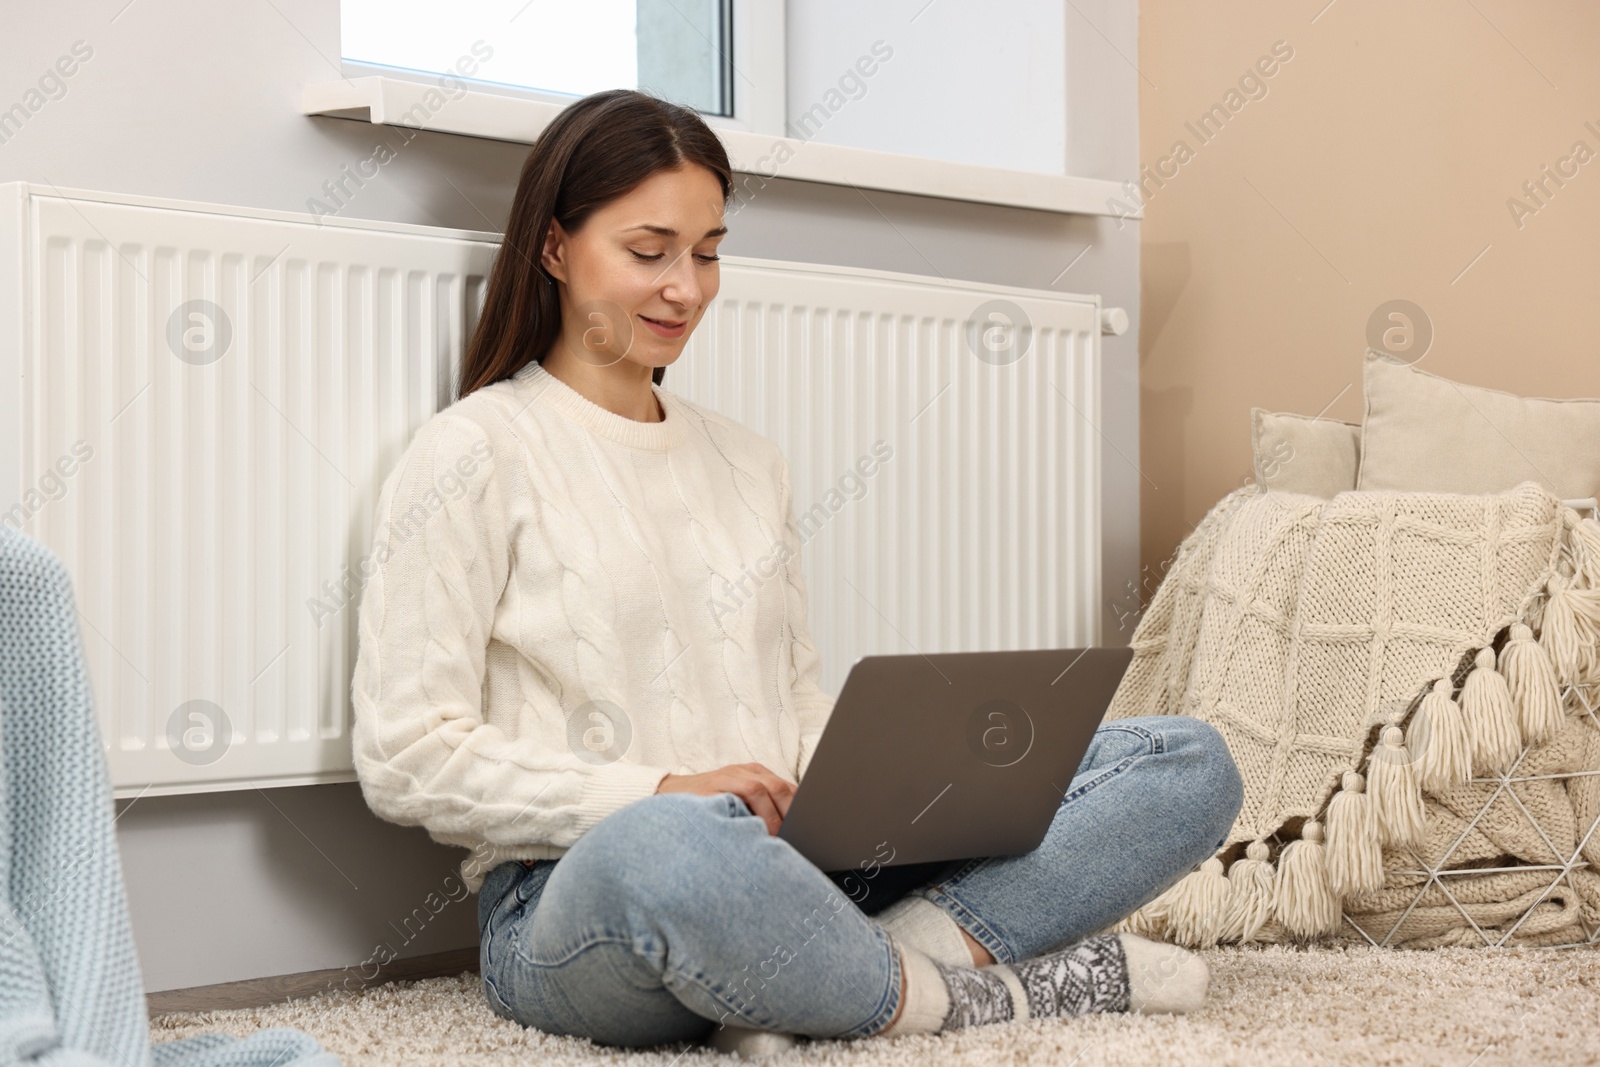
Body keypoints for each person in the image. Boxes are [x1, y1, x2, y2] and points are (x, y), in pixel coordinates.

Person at [349, 88, 1244, 1053]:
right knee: (675, 849)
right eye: (649, 252)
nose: (685, 289)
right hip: (582, 891)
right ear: (556, 249)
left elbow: (795, 701)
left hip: (809, 863)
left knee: (1187, 762)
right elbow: (407, 757)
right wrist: (659, 792)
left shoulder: (749, 463)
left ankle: (842, 968)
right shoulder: (471, 453)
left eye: (708, 252)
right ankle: (964, 992)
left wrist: (891, 786)